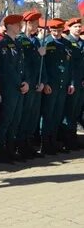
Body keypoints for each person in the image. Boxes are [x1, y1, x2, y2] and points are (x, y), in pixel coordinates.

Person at [0, 14, 30, 163]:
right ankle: (0, 151)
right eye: (17, 24)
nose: (20, 27)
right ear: (9, 26)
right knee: (6, 120)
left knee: (16, 120)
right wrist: (19, 82)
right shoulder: (3, 45)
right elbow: (6, 69)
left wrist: (26, 81)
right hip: (9, 88)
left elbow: (23, 66)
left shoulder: (18, 44)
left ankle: (11, 149)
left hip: (19, 87)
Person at [15, 11, 47, 159]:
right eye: (33, 23)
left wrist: (43, 81)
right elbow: (25, 62)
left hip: (36, 83)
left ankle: (28, 144)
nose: (36, 25)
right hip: (27, 82)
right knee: (25, 115)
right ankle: (20, 146)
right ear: (27, 23)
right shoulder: (20, 40)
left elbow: (42, 64)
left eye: (36, 23)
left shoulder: (35, 41)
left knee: (33, 116)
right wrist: (37, 54)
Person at [41, 18, 74, 154]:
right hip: (51, 83)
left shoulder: (67, 43)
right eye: (54, 30)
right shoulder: (46, 42)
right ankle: (45, 143)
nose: (56, 32)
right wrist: (46, 82)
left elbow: (70, 65)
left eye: (59, 30)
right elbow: (43, 65)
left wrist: (71, 83)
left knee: (58, 114)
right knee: (48, 114)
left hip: (63, 83)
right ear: (50, 30)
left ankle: (53, 141)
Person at [62, 18, 83, 150]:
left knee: (76, 112)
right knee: (68, 112)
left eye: (79, 26)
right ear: (69, 28)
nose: (78, 28)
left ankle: (73, 138)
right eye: (75, 26)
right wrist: (72, 82)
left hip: (81, 82)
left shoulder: (81, 43)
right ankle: (66, 140)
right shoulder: (67, 42)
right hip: (70, 82)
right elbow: (67, 66)